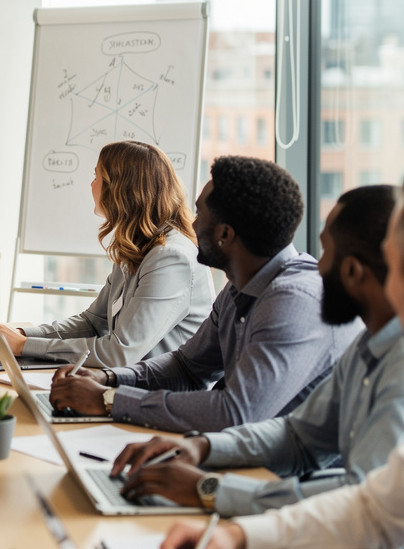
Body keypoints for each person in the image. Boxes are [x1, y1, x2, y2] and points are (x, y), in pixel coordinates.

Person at [114, 184, 404, 516]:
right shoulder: (371, 342)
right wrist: (203, 446)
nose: (318, 268)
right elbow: (300, 436)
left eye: (325, 253)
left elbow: (362, 502)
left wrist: (209, 490)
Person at [48, 155, 361, 433]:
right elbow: (186, 368)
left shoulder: (293, 301)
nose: (192, 225)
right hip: (239, 452)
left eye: (199, 215)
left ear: (225, 235)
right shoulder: (239, 287)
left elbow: (235, 412)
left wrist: (110, 400)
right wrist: (109, 381)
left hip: (287, 479)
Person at [0, 140, 213, 366]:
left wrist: (24, 346)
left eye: (96, 176)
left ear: (119, 190)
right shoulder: (137, 246)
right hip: (130, 382)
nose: (92, 184)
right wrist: (18, 334)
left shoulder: (170, 259)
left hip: (160, 395)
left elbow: (119, 352)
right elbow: (92, 323)